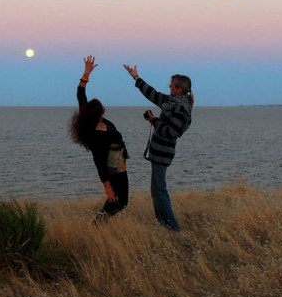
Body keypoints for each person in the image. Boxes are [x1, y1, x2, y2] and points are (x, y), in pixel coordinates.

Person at [122, 64, 193, 231]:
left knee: (159, 191)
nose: (169, 86)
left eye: (171, 84)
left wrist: (153, 120)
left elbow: (171, 132)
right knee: (157, 190)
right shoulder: (171, 102)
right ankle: (164, 225)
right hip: (159, 153)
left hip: (163, 153)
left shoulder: (181, 109)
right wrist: (136, 77)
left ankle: (172, 228)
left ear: (179, 89)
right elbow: (151, 94)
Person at [70, 56, 130, 223]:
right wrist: (108, 189)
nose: (103, 114)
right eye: (101, 112)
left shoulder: (100, 122)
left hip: (119, 163)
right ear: (95, 114)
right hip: (112, 169)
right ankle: (97, 225)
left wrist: (86, 73)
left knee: (122, 201)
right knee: (119, 200)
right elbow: (99, 164)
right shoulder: (94, 135)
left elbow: (80, 94)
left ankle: (99, 223)